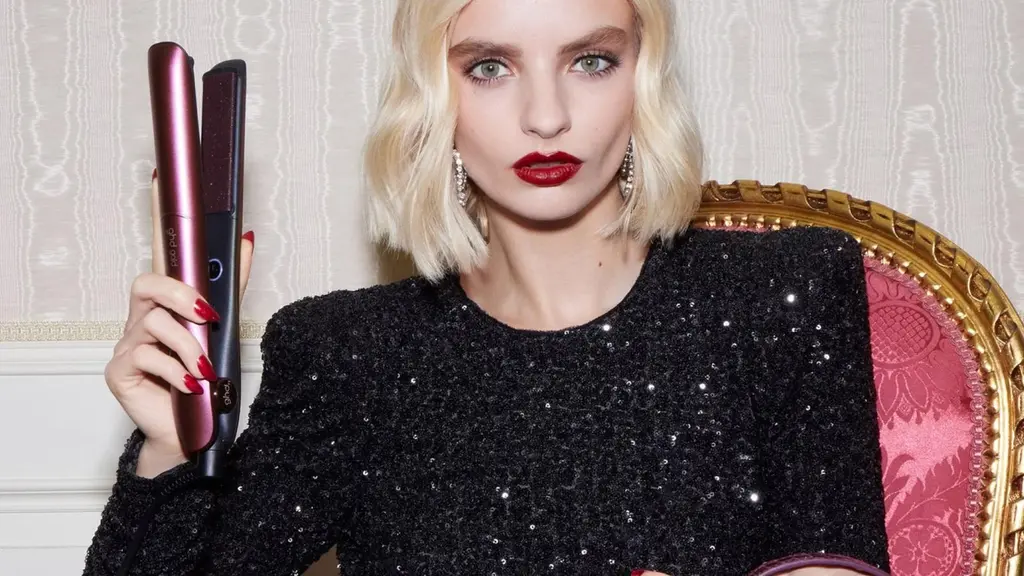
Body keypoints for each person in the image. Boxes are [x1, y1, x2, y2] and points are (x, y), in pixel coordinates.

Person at [83, 0, 891, 574]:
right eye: (490, 67)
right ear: (433, 98)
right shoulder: (346, 355)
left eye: (592, 60)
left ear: (644, 77)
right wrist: (170, 451)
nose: (547, 115)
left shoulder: (782, 294)